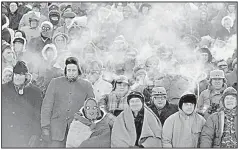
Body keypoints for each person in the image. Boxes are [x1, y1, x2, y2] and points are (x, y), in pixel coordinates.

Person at [41, 57, 95, 147]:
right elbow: (47, 106)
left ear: (78, 71)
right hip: (56, 130)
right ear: (65, 70)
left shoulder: (86, 85)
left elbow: (92, 108)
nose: (71, 73)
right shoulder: (55, 83)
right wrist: (45, 127)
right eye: (69, 70)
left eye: (74, 70)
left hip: (77, 130)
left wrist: (89, 125)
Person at [2, 61, 43, 147]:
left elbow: (37, 115)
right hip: (6, 134)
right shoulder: (3, 89)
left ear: (26, 76)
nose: (17, 78)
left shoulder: (35, 92)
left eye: (20, 75)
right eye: (15, 74)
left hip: (26, 135)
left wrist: (35, 134)